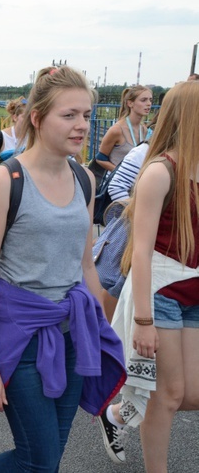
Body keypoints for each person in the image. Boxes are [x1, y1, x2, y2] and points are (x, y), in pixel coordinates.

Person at [0, 65, 126, 472]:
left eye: (87, 115)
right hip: (20, 340)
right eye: (69, 115)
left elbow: (85, 263)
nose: (82, 126)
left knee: (50, 458)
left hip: (74, 333)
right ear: (38, 119)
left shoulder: (84, 179)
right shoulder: (5, 182)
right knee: (38, 460)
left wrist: (103, 332)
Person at [99, 81, 199, 471]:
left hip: (194, 294)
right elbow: (139, 251)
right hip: (160, 295)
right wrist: (143, 320)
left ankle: (119, 414)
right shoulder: (160, 171)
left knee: (189, 394)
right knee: (170, 395)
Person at [94, 86, 153, 178]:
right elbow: (100, 159)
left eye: (150, 100)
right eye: (143, 100)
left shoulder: (143, 129)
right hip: (116, 184)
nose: (149, 104)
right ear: (130, 103)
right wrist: (122, 173)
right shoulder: (117, 130)